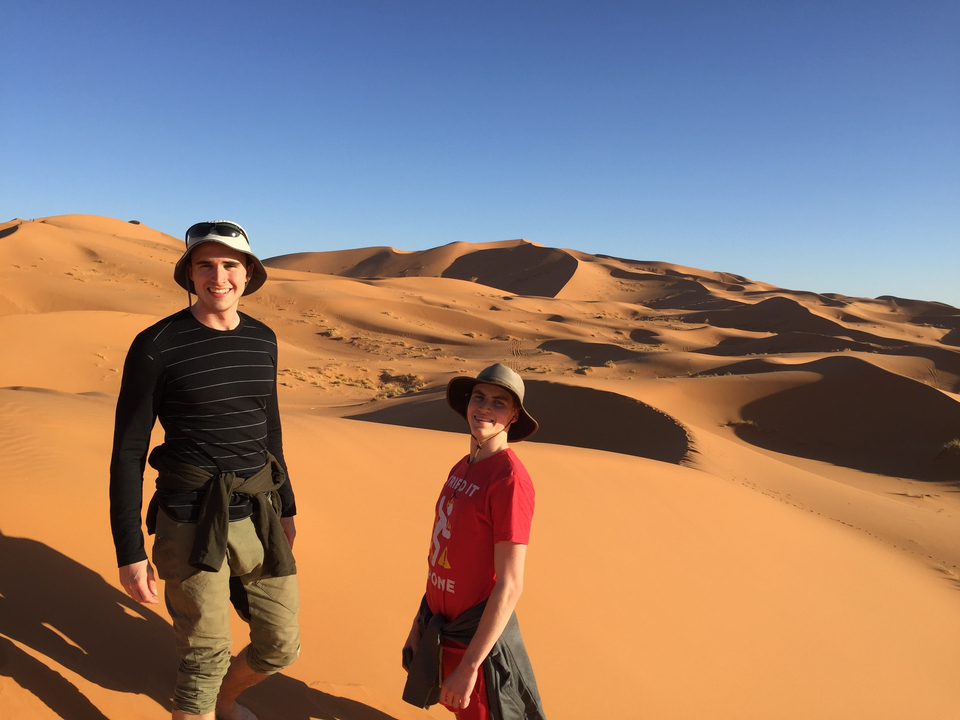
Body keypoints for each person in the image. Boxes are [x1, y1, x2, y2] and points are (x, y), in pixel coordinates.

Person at [109, 221, 300, 720]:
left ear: (249, 273)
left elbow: (270, 428)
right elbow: (128, 451)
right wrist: (129, 550)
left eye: (231, 264)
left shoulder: (263, 339)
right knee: (204, 656)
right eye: (206, 265)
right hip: (189, 517)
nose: (219, 276)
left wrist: (288, 507)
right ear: (189, 274)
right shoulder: (156, 344)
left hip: (259, 511)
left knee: (281, 643)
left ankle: (226, 700)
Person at [402, 364, 547, 720]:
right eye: (479, 397)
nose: (484, 407)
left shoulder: (509, 480)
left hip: (475, 643)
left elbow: (511, 585)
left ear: (513, 416)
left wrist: (469, 667)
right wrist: (420, 622)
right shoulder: (461, 467)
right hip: (443, 628)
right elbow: (441, 554)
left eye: (499, 403)